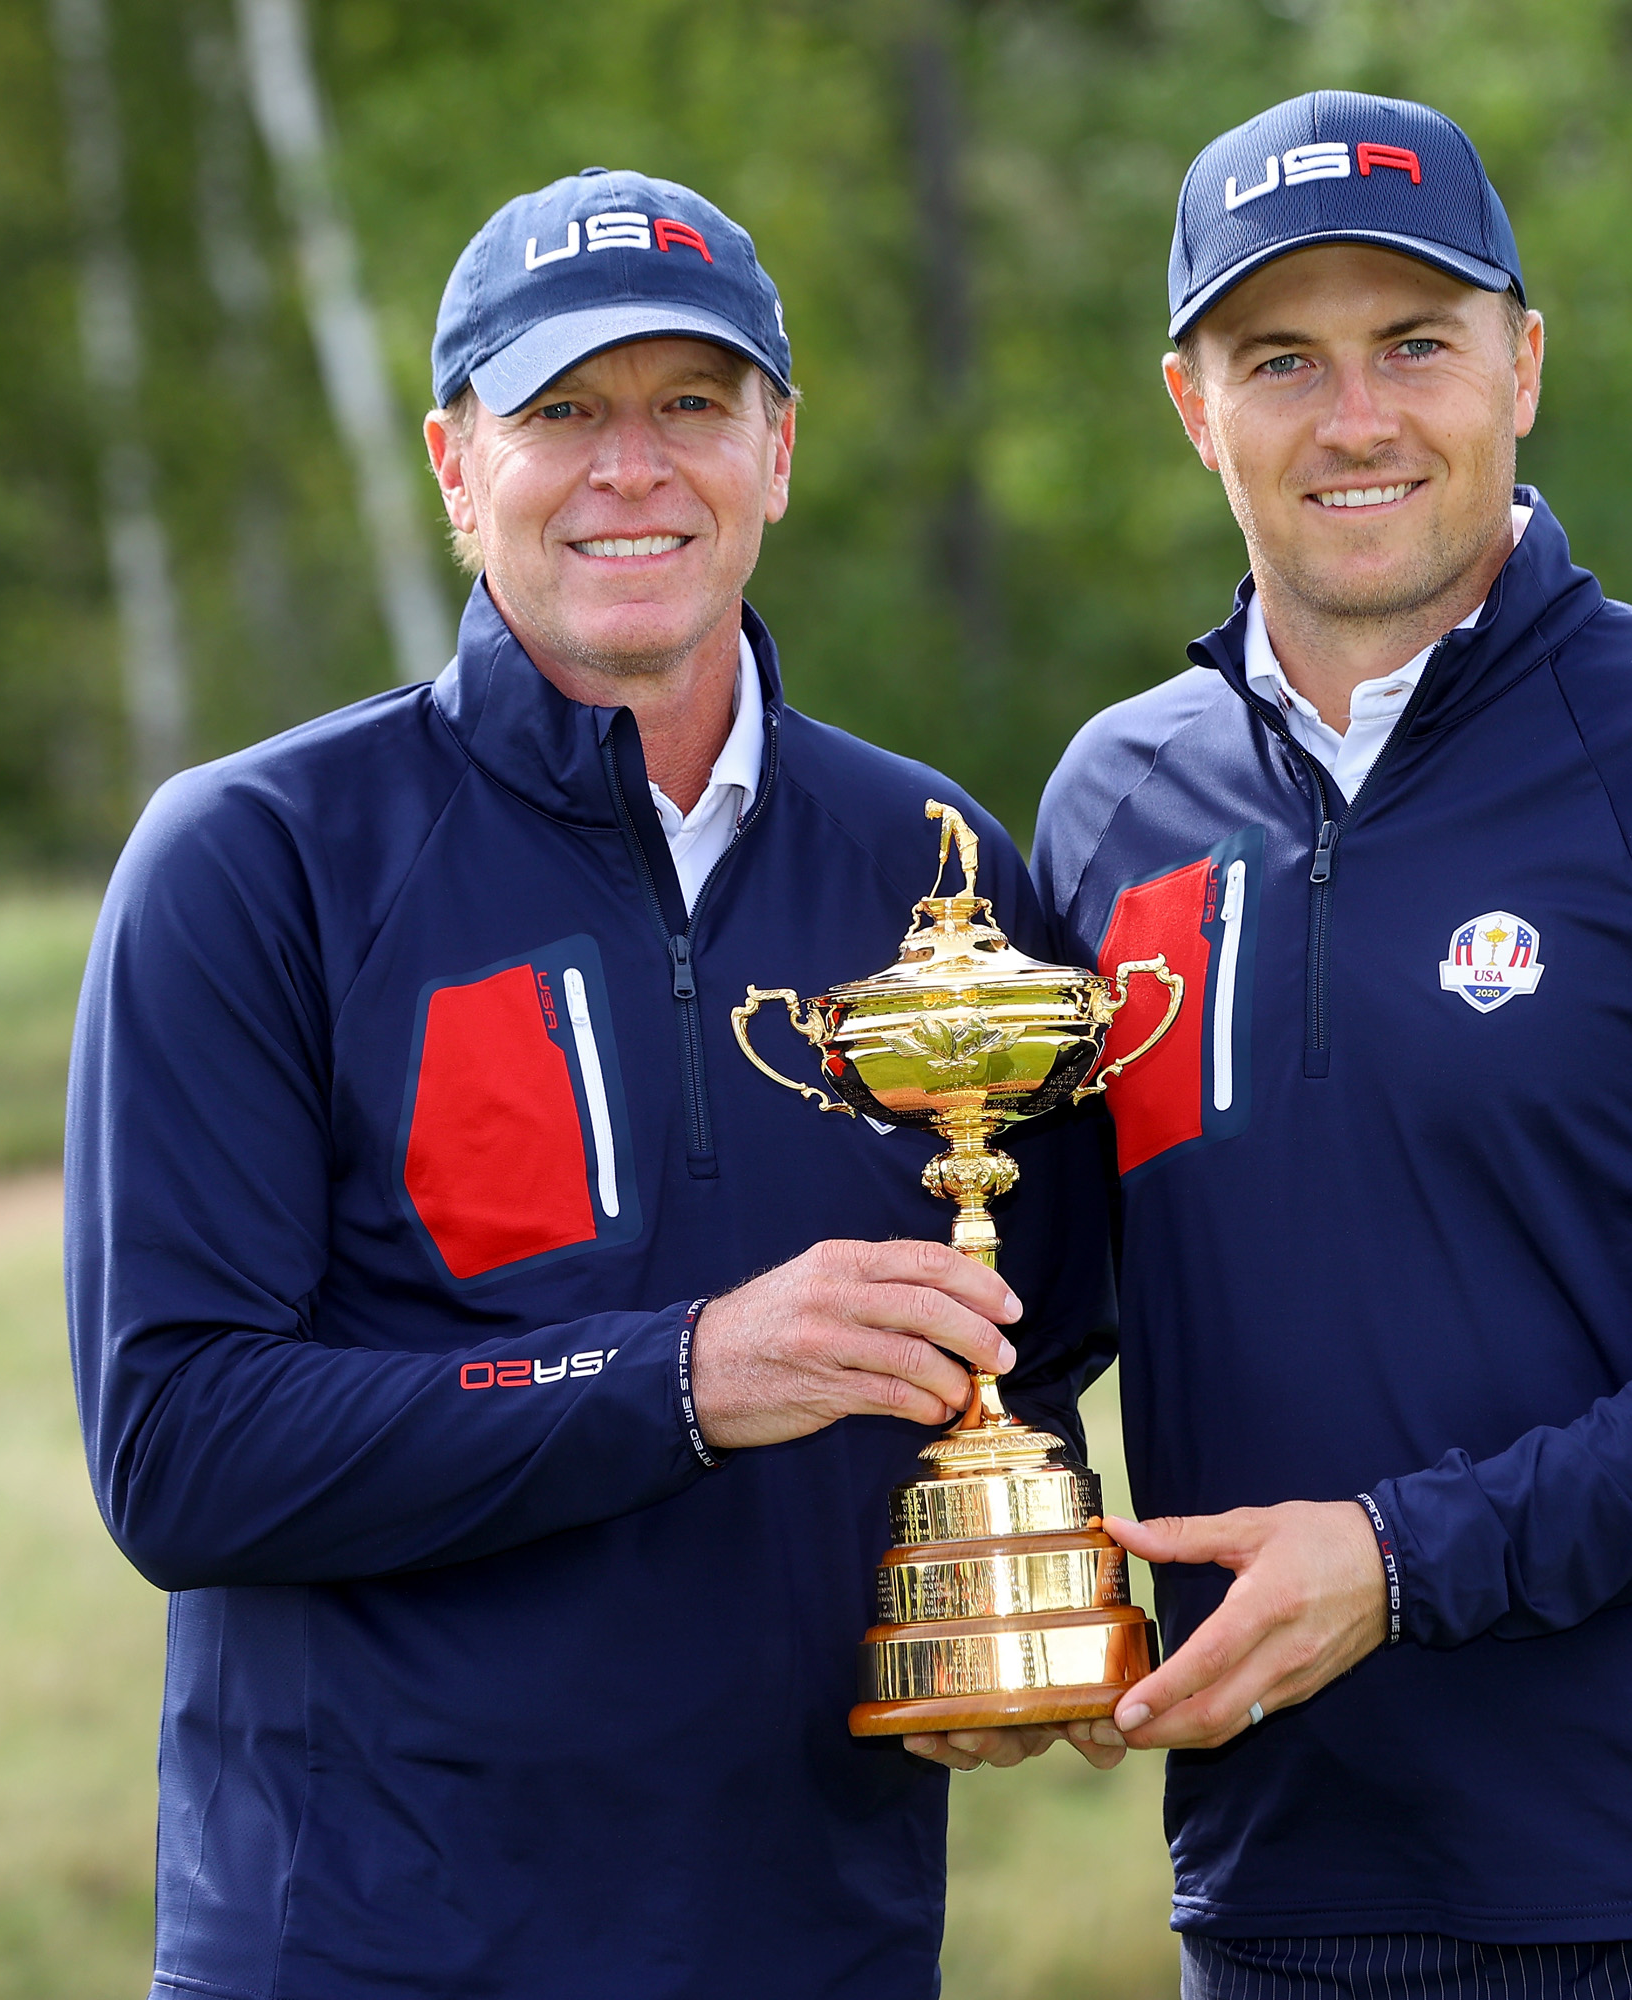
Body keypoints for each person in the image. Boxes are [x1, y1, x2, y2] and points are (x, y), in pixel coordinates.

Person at [64, 167, 1112, 2000]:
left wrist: (990, 1613)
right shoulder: (257, 857)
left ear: (776, 452)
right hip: (370, 1949)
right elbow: (183, 1452)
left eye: (691, 406)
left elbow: (1042, 1318)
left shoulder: (935, 861)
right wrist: (685, 1376)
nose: (633, 467)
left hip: (821, 1937)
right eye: (562, 411)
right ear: (457, 465)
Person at [1030, 92, 1632, 1997]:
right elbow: (1036, 1309)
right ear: (1192, 408)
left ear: (1522, 369)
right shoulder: (1110, 805)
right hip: (1292, 1895)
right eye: (1281, 358)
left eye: (1416, 346)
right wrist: (1003, 1584)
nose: (1356, 417)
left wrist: (1401, 1559)